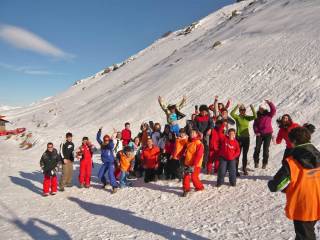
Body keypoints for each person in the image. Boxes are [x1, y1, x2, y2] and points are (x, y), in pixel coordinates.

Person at [268, 127, 320, 240]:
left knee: (305, 236)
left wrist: (271, 184)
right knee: (306, 232)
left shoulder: (292, 161)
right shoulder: (318, 156)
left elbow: (277, 185)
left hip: (303, 204)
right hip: (317, 200)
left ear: (294, 142)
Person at [230, 104, 257, 176]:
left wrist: (252, 107)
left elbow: (255, 116)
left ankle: (244, 168)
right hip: (238, 138)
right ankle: (235, 170)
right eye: (241, 110)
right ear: (239, 111)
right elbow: (231, 113)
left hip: (246, 138)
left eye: (244, 110)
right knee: (237, 154)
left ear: (245, 111)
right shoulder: (237, 117)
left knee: (245, 154)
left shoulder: (247, 117)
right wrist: (237, 106)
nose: (242, 111)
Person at [253, 100, 276, 169]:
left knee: (266, 149)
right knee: (257, 148)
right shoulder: (257, 116)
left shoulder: (269, 115)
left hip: (268, 134)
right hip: (259, 134)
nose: (261, 110)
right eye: (260, 108)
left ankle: (264, 163)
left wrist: (269, 102)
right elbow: (255, 125)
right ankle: (256, 162)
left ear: (264, 109)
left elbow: (273, 110)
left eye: (262, 108)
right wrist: (256, 132)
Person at [182, 129, 204, 197]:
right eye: (191, 133)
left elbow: (199, 155)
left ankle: (200, 187)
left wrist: (194, 165)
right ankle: (186, 189)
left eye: (194, 133)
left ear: (197, 134)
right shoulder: (189, 142)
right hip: (188, 162)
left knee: (194, 177)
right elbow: (186, 151)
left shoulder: (199, 143)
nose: (192, 134)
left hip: (196, 164)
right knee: (186, 176)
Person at [96, 127, 118, 193]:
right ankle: (105, 183)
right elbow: (97, 138)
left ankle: (114, 186)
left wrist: (111, 139)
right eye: (105, 140)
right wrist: (99, 131)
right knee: (100, 175)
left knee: (110, 174)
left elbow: (111, 145)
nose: (106, 141)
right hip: (105, 163)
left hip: (111, 162)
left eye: (107, 140)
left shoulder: (109, 145)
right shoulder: (102, 144)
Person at [194, 104, 214, 169]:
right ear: (200, 111)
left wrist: (210, 129)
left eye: (205, 112)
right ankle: (198, 161)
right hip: (199, 135)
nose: (204, 113)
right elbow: (194, 126)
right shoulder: (197, 117)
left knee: (206, 148)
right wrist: (199, 132)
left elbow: (212, 124)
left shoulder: (208, 117)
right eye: (202, 112)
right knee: (199, 148)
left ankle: (204, 162)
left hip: (206, 135)